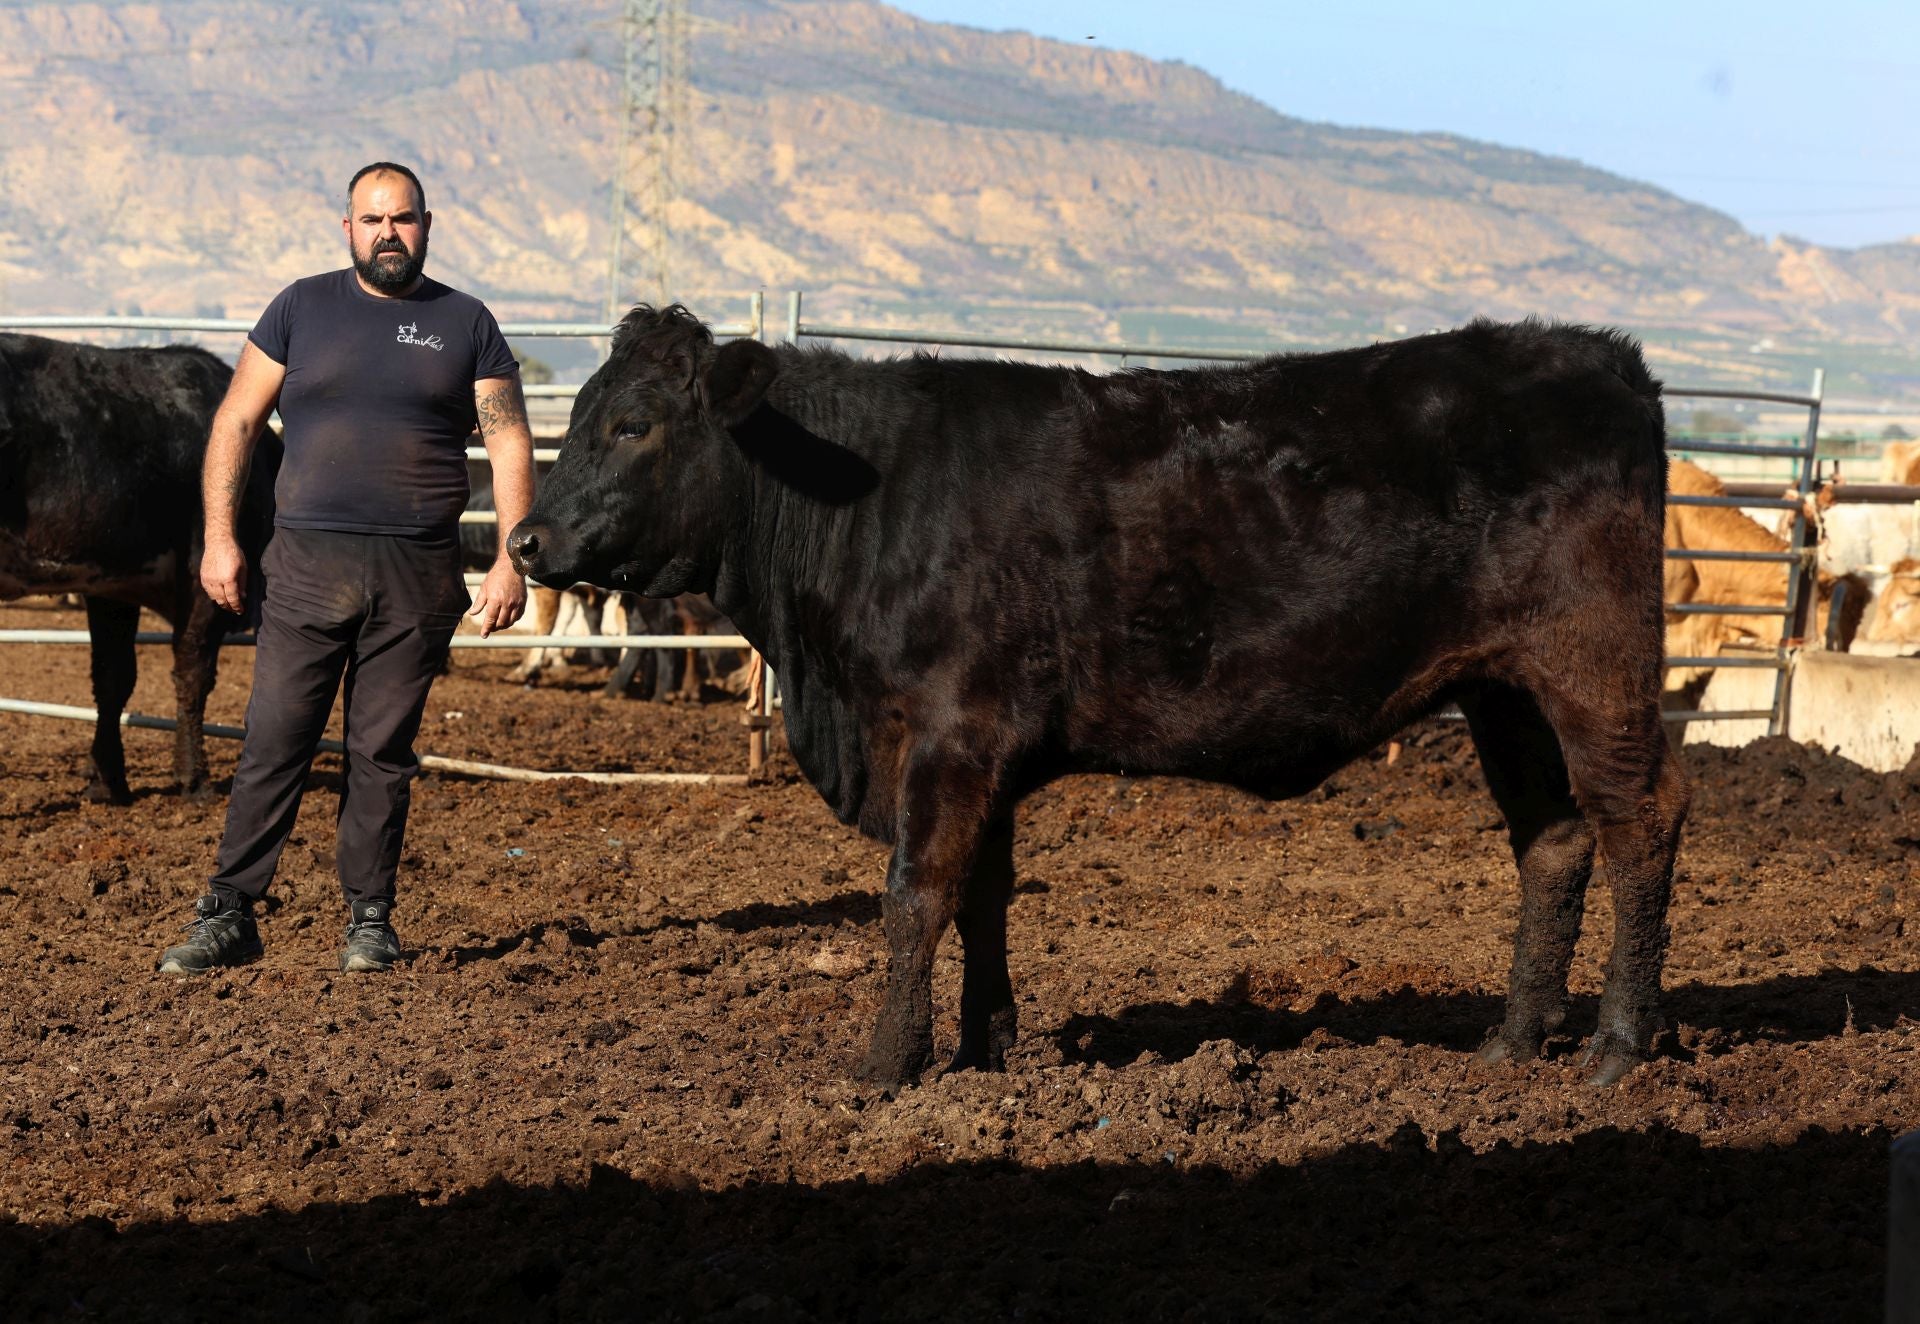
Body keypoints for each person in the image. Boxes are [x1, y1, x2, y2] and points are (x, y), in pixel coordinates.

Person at [157, 161, 534, 975]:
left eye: (403, 219)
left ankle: (370, 919)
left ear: (427, 225)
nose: (388, 233)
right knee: (274, 737)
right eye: (373, 220)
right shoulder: (300, 307)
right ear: (348, 228)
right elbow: (236, 422)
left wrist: (510, 559)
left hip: (418, 571)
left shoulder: (466, 322)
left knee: (381, 750)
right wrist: (221, 538)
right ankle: (229, 911)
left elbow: (507, 439)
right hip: (303, 564)